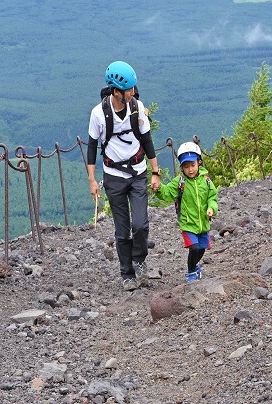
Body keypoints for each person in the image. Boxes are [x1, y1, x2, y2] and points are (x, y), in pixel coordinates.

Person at [87, 61, 161, 291]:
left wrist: (155, 172)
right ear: (115, 91)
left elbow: (147, 141)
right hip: (113, 177)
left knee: (140, 224)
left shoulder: (137, 108)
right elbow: (91, 147)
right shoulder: (98, 114)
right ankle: (126, 273)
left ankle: (139, 259)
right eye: (128, 89)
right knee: (122, 228)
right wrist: (92, 179)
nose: (133, 92)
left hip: (138, 172)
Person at [153, 141, 218, 282]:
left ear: (199, 162)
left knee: (201, 249)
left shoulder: (206, 181)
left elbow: (212, 197)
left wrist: (211, 208)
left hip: (203, 224)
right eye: (186, 166)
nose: (190, 169)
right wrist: (158, 189)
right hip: (188, 224)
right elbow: (167, 193)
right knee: (194, 248)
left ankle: (195, 265)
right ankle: (191, 272)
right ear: (181, 167)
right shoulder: (179, 182)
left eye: (192, 165)